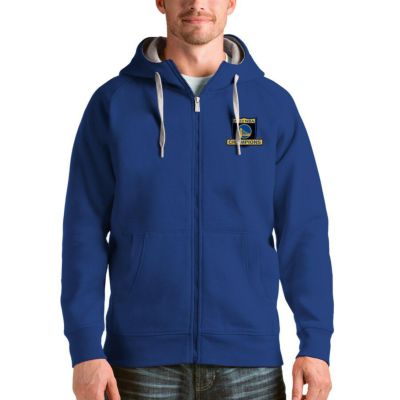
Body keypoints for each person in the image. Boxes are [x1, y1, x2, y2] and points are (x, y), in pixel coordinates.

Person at [60, 1, 334, 399]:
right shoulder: (114, 103)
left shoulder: (272, 105)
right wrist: (85, 348)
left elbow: (303, 230)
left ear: (231, 2)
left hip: (249, 363)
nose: (197, 3)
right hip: (139, 363)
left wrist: (316, 343)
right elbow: (82, 232)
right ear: (160, 1)